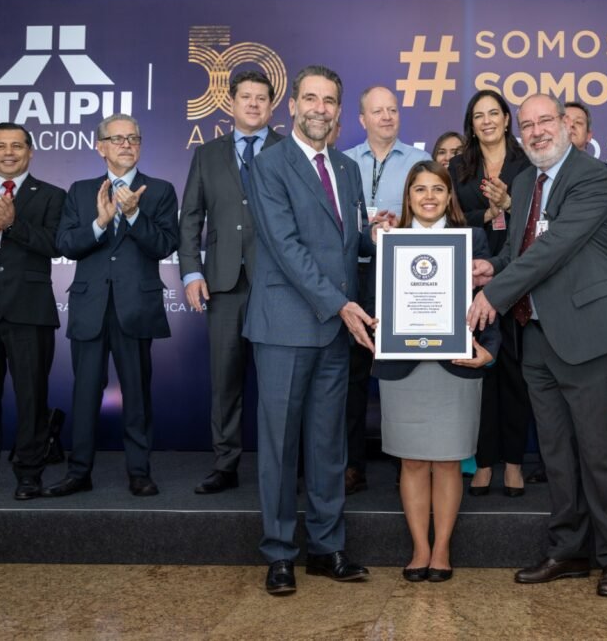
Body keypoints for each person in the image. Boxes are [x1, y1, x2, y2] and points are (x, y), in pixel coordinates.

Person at [468, 93, 607, 597]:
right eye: (528, 124)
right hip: (537, 335)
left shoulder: (592, 175)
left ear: (566, 124)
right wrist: (491, 267)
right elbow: (519, 247)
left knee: (598, 451)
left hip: (584, 332)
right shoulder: (524, 181)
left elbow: (556, 246)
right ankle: (567, 550)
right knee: (556, 453)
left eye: (546, 121)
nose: (537, 131)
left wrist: (493, 294)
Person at [242, 65, 375, 596]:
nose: (320, 109)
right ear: (292, 105)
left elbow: (349, 245)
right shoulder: (269, 163)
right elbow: (286, 248)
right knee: (279, 447)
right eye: (311, 99)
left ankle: (326, 546)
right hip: (285, 327)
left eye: (330, 101)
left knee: (327, 445)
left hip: (334, 331)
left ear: (339, 111)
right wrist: (342, 305)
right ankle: (279, 553)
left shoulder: (345, 168)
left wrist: (379, 239)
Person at [371, 160, 499, 583]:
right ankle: (419, 548)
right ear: (407, 198)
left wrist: (489, 353)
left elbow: (491, 303)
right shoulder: (389, 242)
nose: (429, 197)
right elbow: (373, 300)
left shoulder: (473, 238)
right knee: (411, 461)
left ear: (450, 197)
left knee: (446, 462)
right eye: (419, 189)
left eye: (437, 189)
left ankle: (441, 550)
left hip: (456, 365)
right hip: (403, 367)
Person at [45, 113, 179, 498]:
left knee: (137, 393)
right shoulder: (80, 190)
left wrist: (134, 214)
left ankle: (139, 472)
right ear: (100, 146)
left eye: (133, 138)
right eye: (117, 138)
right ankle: (79, 471)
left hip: (136, 307)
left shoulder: (160, 189)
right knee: (85, 392)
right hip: (90, 307)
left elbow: (164, 245)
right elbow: (66, 244)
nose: (126, 144)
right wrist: (100, 223)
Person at [179, 71, 282, 495]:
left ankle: (280, 466)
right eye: (246, 97)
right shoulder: (207, 154)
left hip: (277, 284)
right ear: (231, 103)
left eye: (261, 98)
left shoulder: (289, 150)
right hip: (222, 283)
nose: (254, 104)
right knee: (225, 381)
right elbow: (190, 219)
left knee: (279, 382)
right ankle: (225, 464)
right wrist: (191, 271)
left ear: (272, 106)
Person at [0, 122, 65, 500]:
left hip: (30, 311)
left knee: (32, 398)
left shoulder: (53, 195)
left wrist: (14, 225)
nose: (9, 153)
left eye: (17, 146)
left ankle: (29, 474)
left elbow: (56, 244)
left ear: (31, 151)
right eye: (1, 146)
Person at [342, 86, 430, 495]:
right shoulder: (342, 164)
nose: (386, 117)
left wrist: (404, 225)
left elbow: (432, 216)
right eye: (377, 111)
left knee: (401, 375)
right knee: (353, 376)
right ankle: (351, 465)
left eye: (392, 110)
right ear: (362, 119)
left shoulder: (419, 161)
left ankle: (407, 464)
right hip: (352, 279)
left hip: (402, 280)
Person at [449, 89, 533, 497]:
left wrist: (511, 203)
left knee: (515, 374)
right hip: (471, 275)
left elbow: (539, 219)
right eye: (478, 115)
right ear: (472, 123)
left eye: (493, 113)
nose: (486, 121)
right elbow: (449, 217)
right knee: (479, 374)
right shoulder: (457, 167)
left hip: (519, 276)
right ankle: (483, 462)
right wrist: (489, 212)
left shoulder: (527, 163)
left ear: (505, 119)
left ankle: (514, 463)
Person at [564, 101, 607, 239]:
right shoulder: (541, 171)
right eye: (565, 122)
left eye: (578, 123)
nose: (572, 125)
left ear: (589, 136)